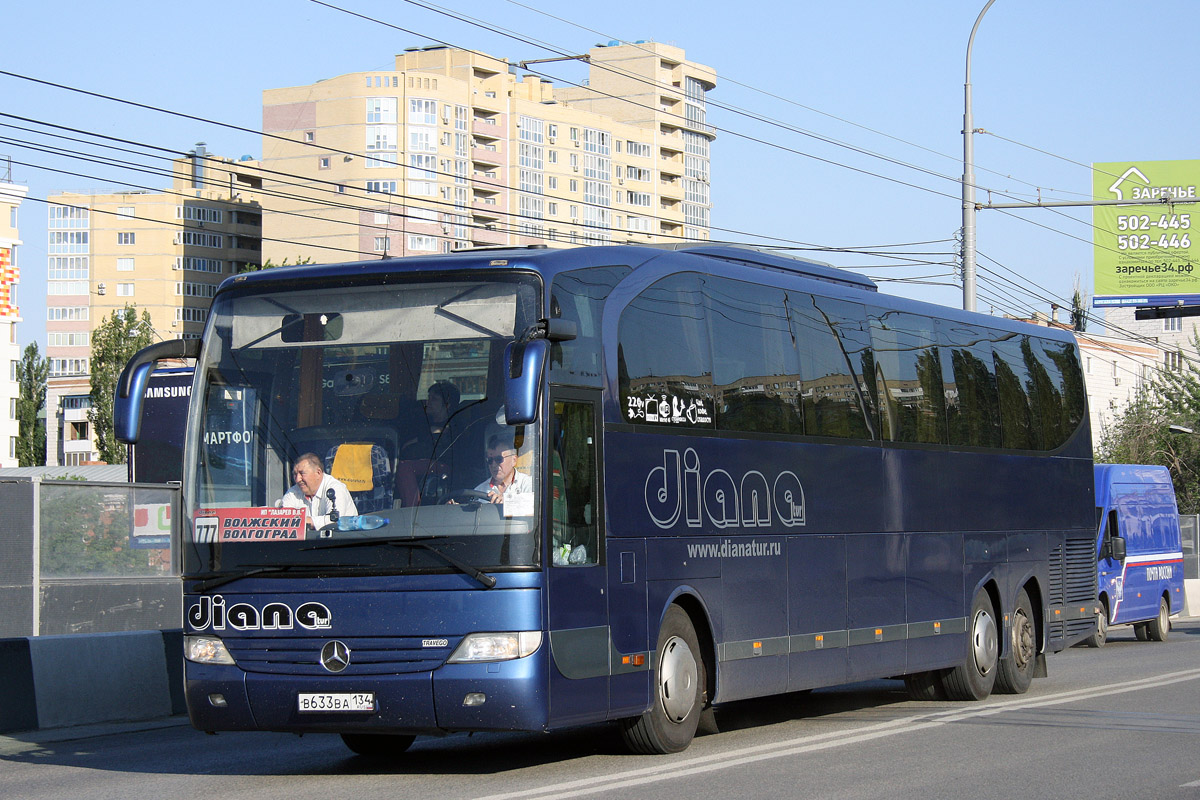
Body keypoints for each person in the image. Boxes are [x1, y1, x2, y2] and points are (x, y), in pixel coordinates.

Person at [280, 452, 358, 530]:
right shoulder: (293, 491)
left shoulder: (335, 488)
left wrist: (303, 521)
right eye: (295, 474)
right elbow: (281, 519)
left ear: (318, 473)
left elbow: (333, 521)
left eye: (302, 473)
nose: (297, 479)